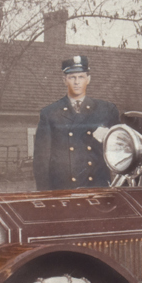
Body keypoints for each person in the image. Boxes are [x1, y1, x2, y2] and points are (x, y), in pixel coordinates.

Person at [33, 55, 120, 191]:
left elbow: (120, 151)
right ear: (64, 80)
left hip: (98, 186)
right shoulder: (50, 113)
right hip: (63, 188)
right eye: (72, 77)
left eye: (81, 77)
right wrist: (44, 194)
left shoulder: (106, 110)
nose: (77, 82)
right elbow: (42, 160)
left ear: (88, 79)